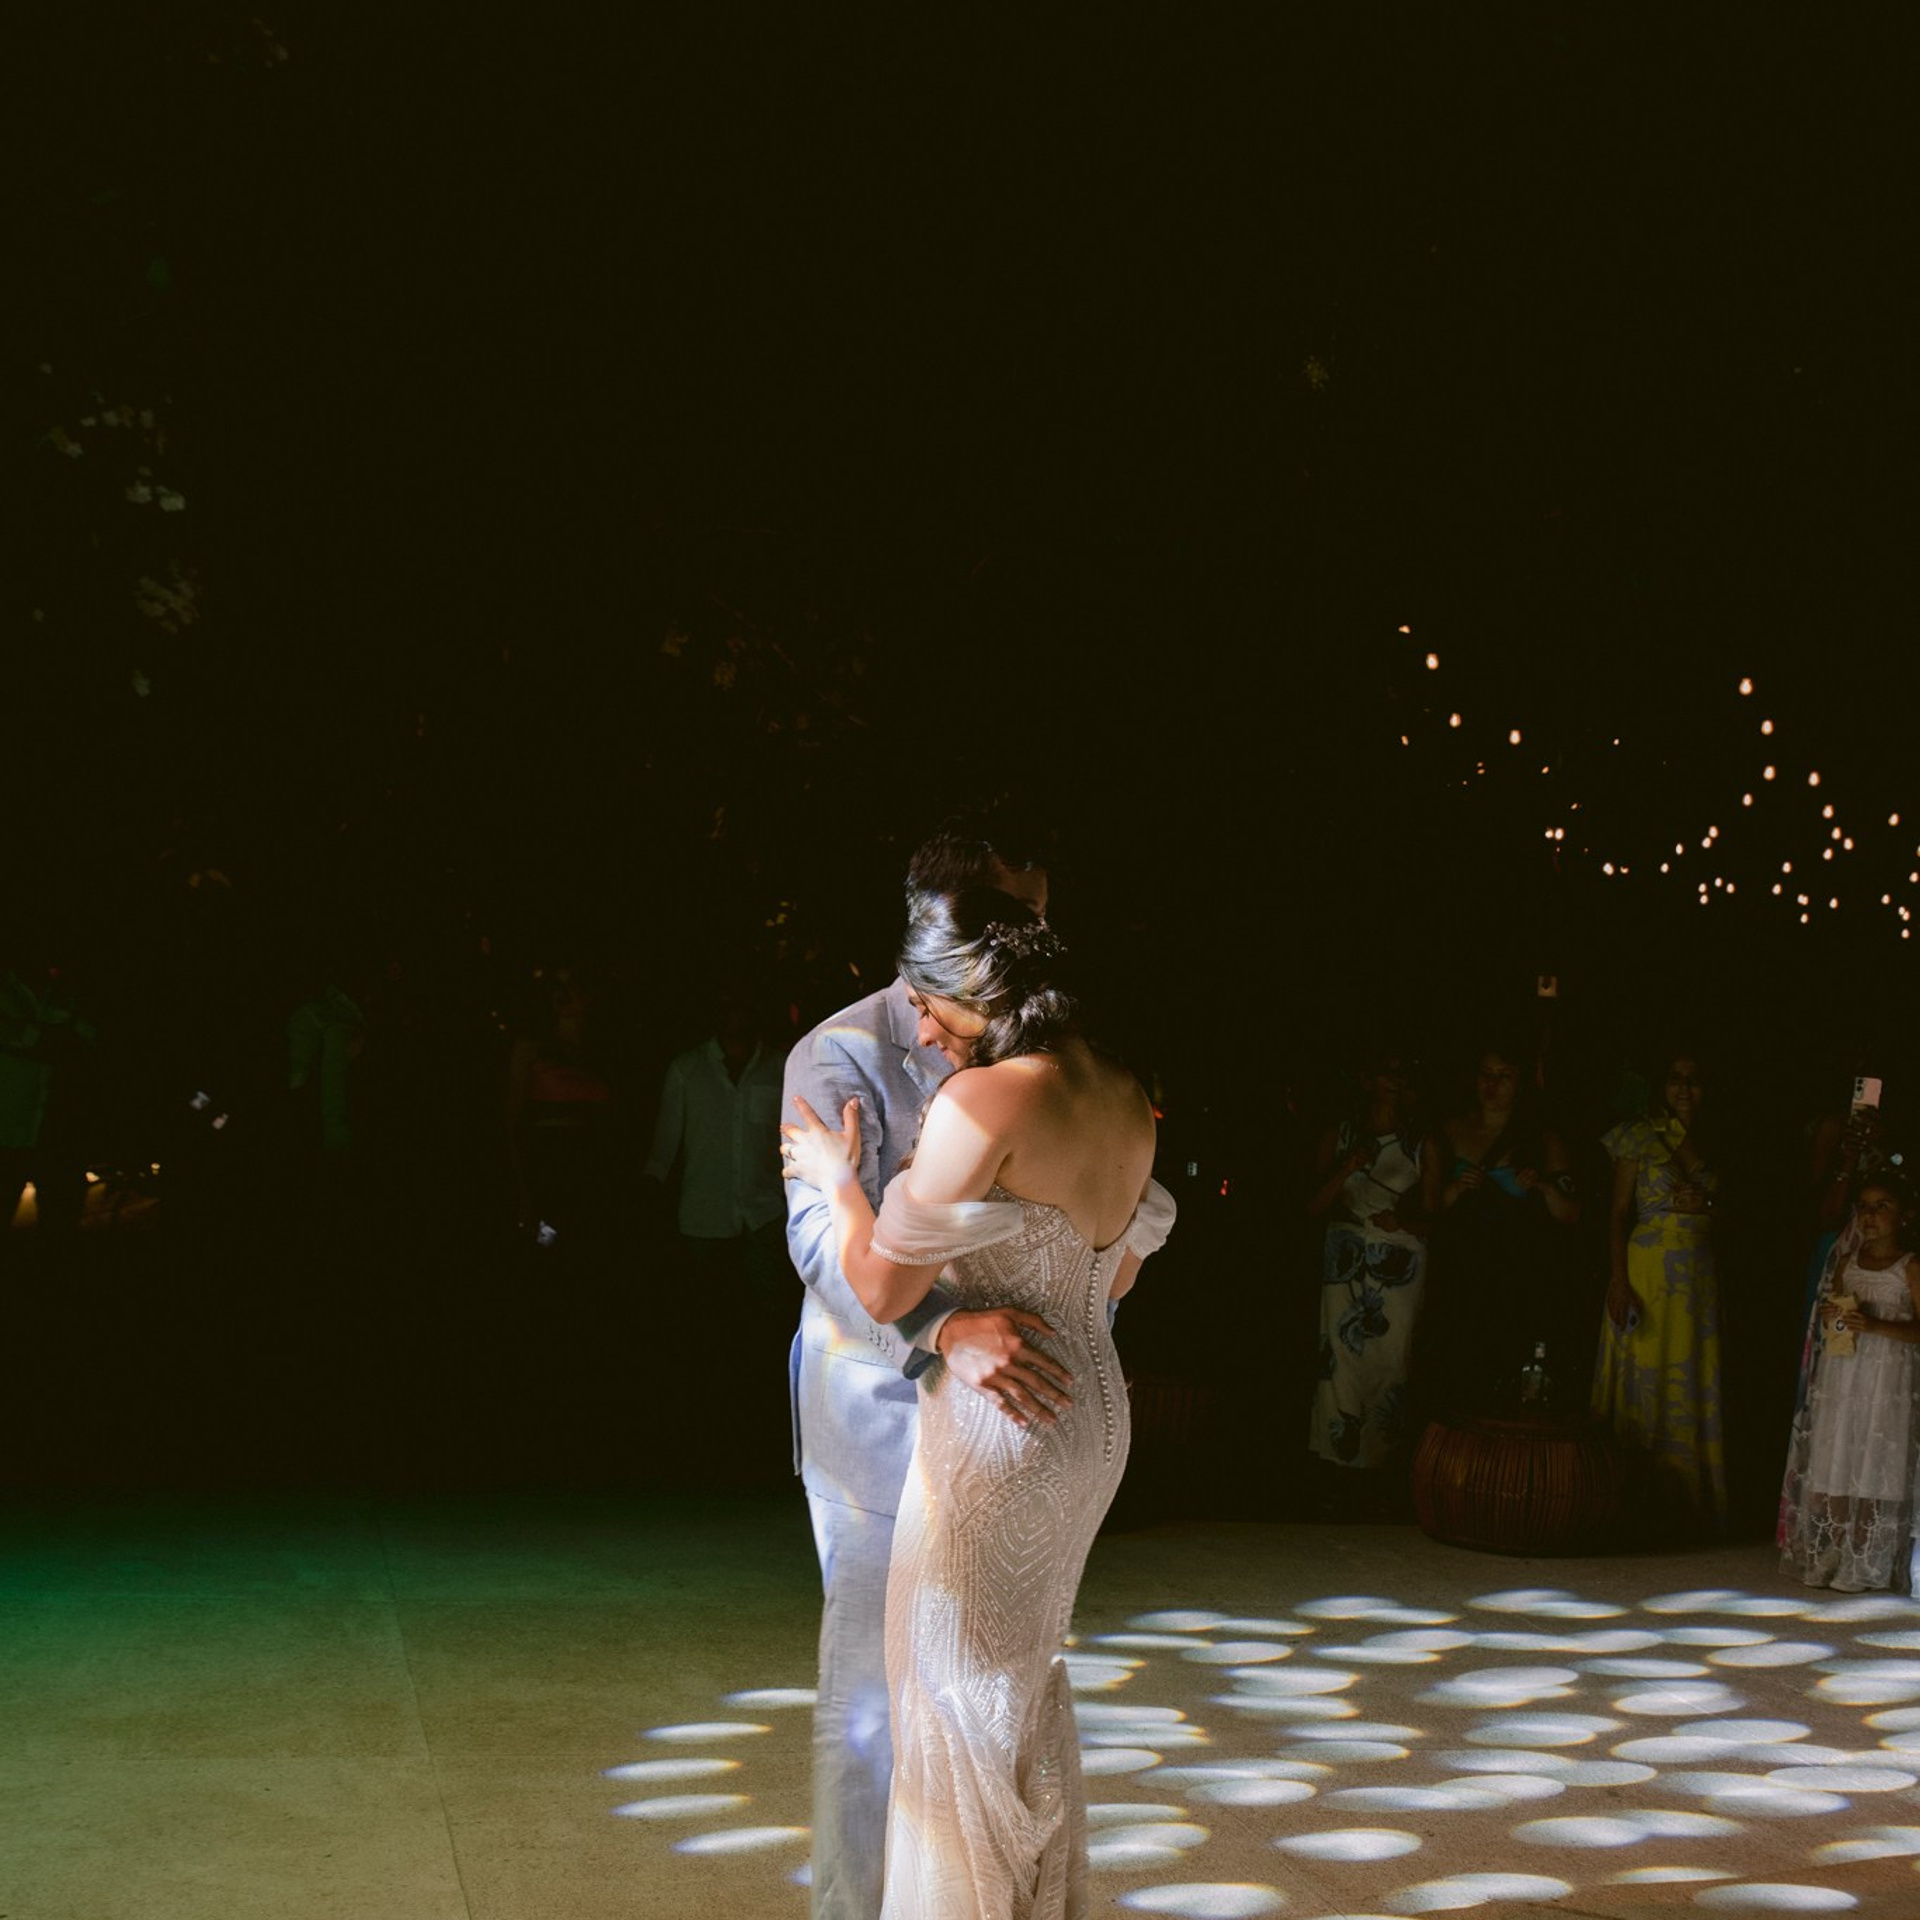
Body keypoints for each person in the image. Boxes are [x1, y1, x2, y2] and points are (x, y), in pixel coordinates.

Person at [783, 887, 1172, 1919]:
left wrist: (840, 1182)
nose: (917, 1024)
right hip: (1091, 1415)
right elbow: (1118, 1275)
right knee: (1021, 1688)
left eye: (933, 1003)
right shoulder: (1127, 1095)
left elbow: (879, 1287)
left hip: (1000, 1431)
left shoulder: (982, 1102)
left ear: (982, 994)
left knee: (949, 1703)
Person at [1590, 1051, 1728, 1533]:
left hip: (1696, 1273)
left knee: (1687, 1377)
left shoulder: (1719, 1137)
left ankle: (1688, 1505)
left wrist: (1707, 1201)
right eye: (1675, 1079)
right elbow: (1615, 1213)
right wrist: (1619, 1280)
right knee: (1644, 1380)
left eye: (1694, 1080)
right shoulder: (1639, 1132)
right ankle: (1632, 1501)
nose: (1684, 1089)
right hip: (1647, 1267)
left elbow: (1737, 1211)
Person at [1421, 1043, 1581, 1416]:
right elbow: (1427, 1210)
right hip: (1458, 1270)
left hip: (1513, 1274)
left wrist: (1540, 1186)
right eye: (1485, 1075)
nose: (1492, 1085)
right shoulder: (1447, 1131)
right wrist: (1457, 1189)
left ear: (1520, 1082)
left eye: (1503, 1076)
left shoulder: (1541, 1139)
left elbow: (1571, 1213)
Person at [1780, 1171, 1920, 1592]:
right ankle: (1834, 1548)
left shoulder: (1909, 1266)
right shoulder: (1846, 1263)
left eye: (1883, 1206)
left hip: (1887, 1377)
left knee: (1878, 1459)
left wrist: (1875, 1324)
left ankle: (1866, 1556)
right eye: (1864, 1207)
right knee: (1838, 1455)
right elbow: (1839, 1325)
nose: (1871, 1215)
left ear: (1904, 1216)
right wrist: (1834, 1322)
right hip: (1847, 1375)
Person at [1307, 1047, 1440, 1480]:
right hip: (1344, 1258)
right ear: (1367, 1080)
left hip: (1396, 1260)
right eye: (1388, 1072)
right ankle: (1336, 1465)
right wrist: (1347, 1169)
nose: (1395, 1081)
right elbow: (1312, 1207)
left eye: (1403, 1073)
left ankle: (1382, 1468)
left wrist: (1402, 1220)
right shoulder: (1341, 1134)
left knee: (1391, 1358)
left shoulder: (1422, 1144)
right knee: (1340, 1358)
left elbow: (1435, 1220)